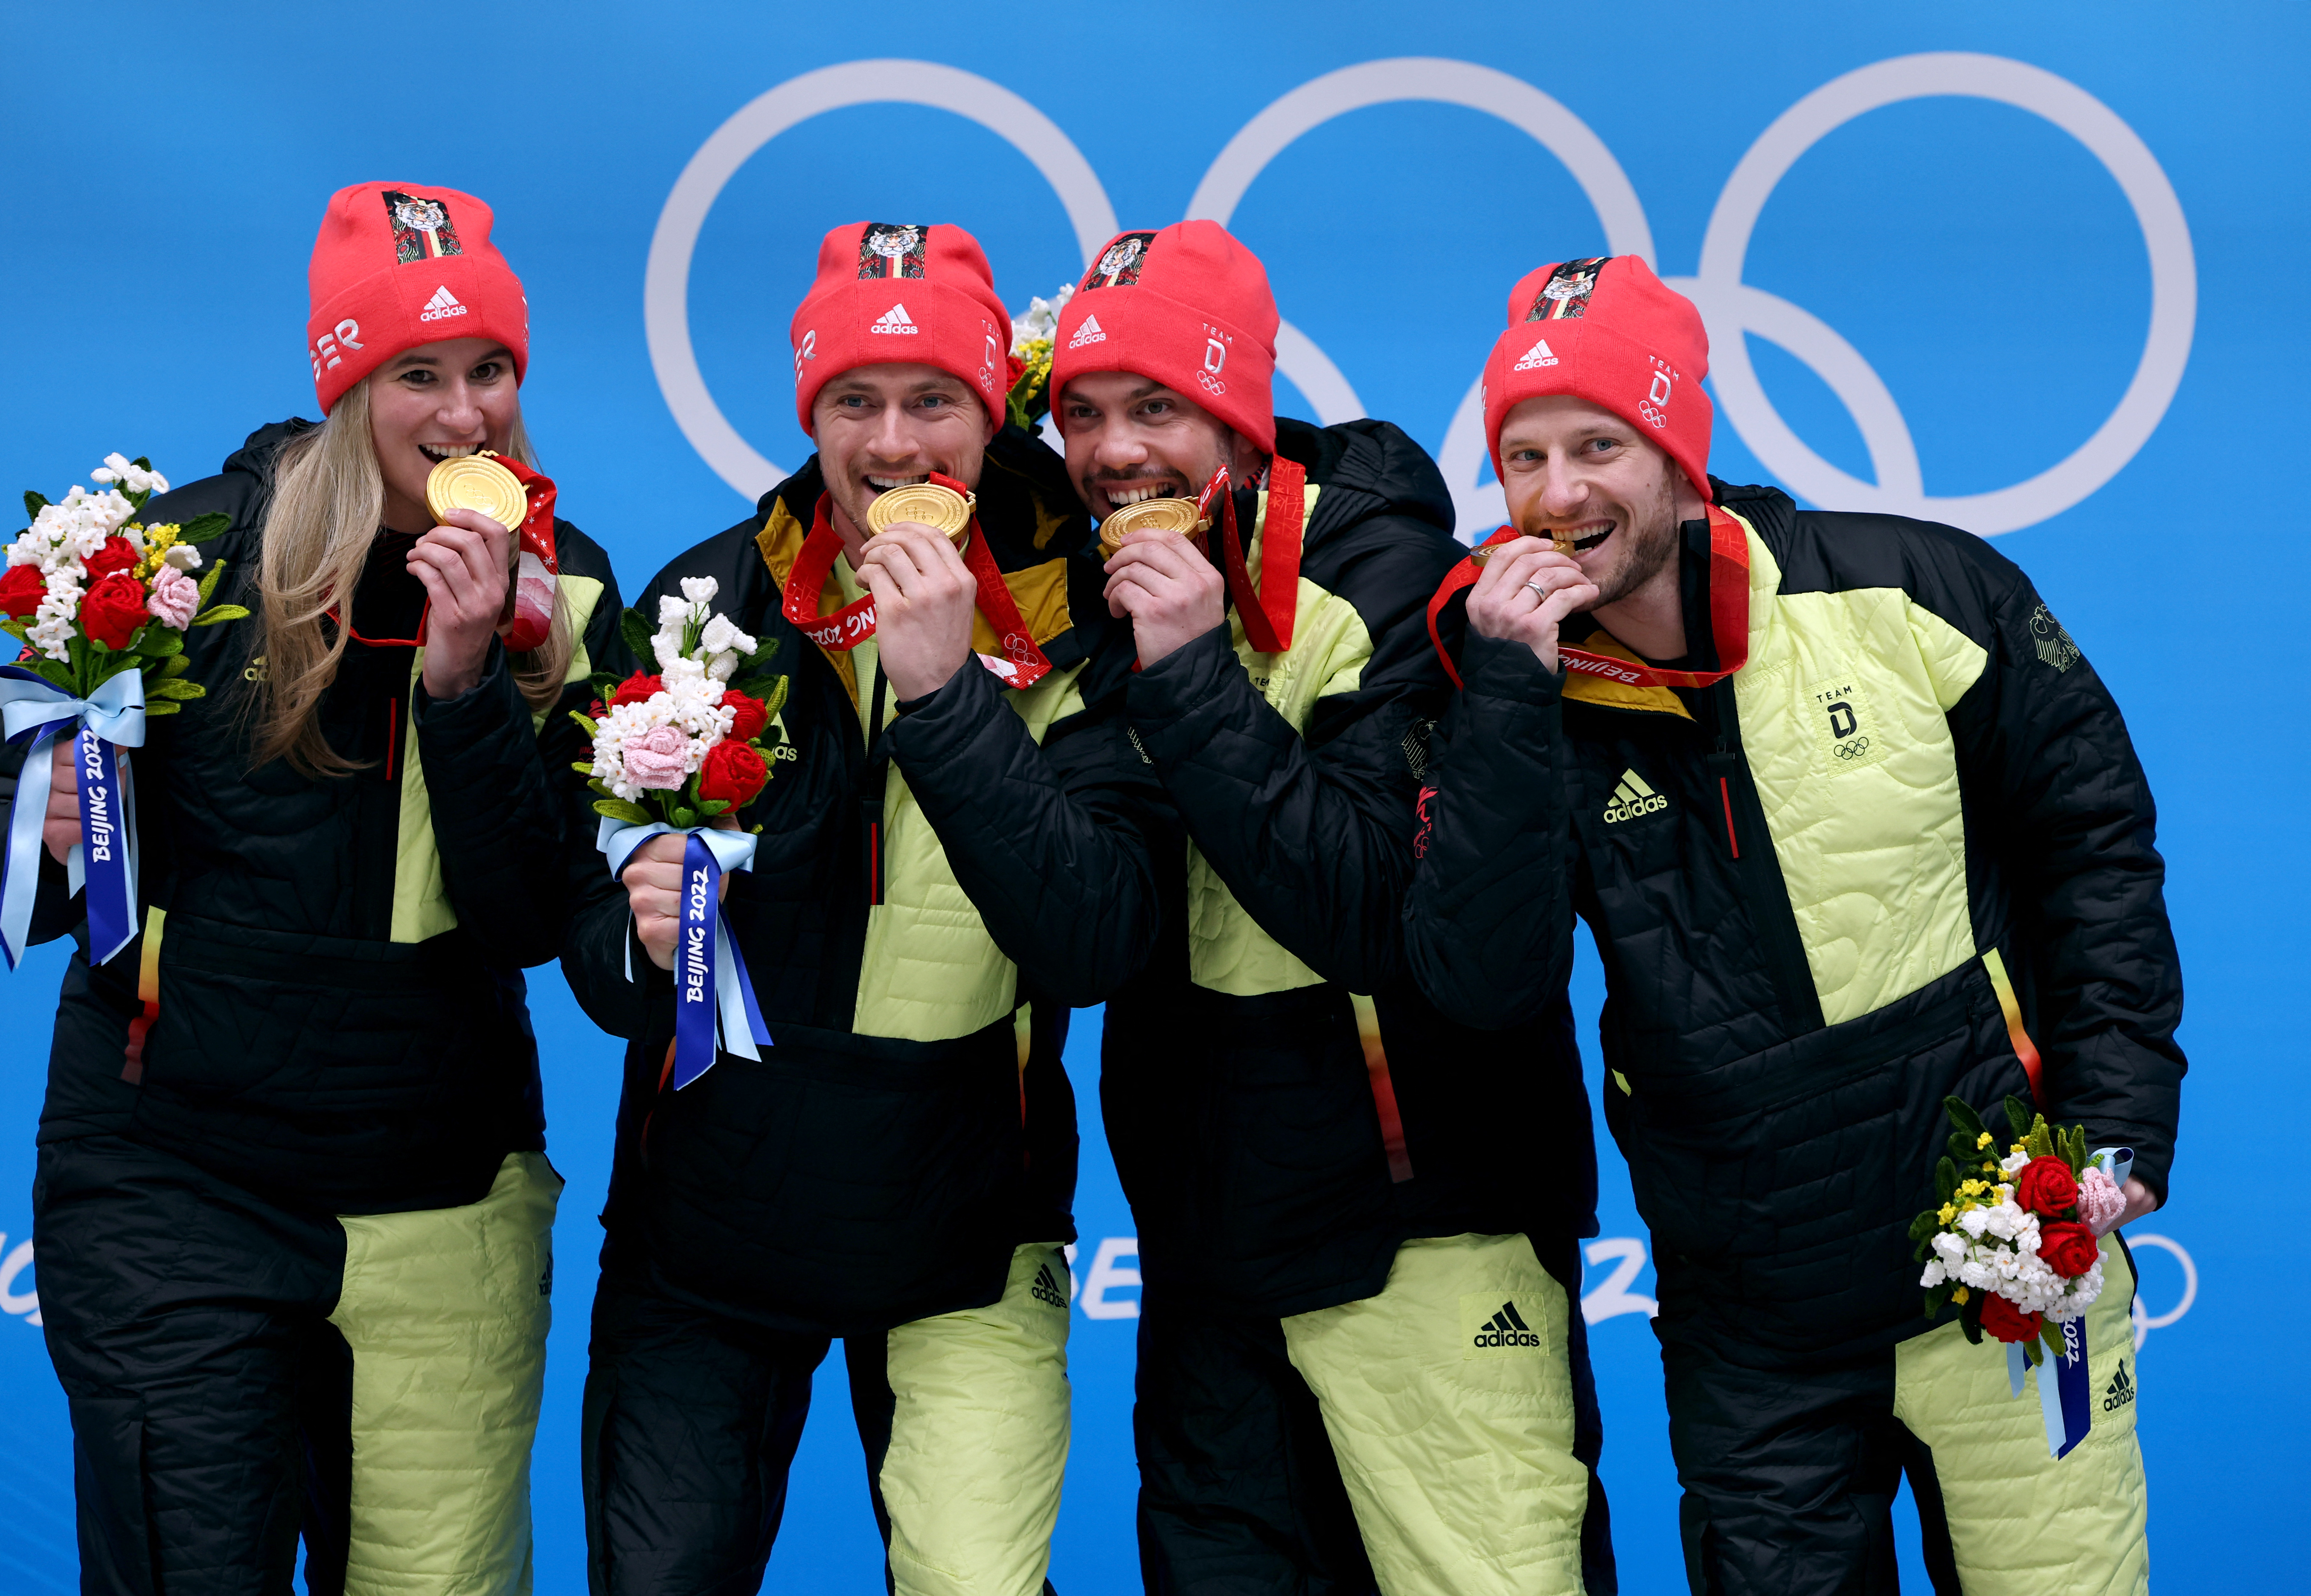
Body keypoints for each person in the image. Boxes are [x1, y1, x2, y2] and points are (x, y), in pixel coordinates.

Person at [1405, 254, 2180, 1595]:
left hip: (2012, 1265)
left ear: (1677, 450)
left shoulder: (1912, 590)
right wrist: (1502, 708)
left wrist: (2115, 1120)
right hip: (1750, 1327)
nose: (1558, 492)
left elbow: (2091, 848)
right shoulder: (1500, 688)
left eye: (1599, 442)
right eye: (1521, 458)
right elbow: (1483, 983)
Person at [0, 181, 625, 1594]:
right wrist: (50, 831)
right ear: (343, 383)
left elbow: (533, 922)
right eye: (414, 375)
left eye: (489, 370)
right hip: (178, 1186)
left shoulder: (573, 596)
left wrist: (465, 687)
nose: (463, 414)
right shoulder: (165, 566)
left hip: (439, 1189)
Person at [915, 219, 1612, 1596]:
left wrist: (1185, 677)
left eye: (1158, 407)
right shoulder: (1097, 590)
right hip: (1207, 1255)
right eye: (1086, 415)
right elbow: (1089, 938)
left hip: (1426, 1233)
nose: (1116, 451)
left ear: (1236, 412)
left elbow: (1370, 915)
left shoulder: (1388, 575)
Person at [565, 221, 1149, 1596]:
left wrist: (950, 695)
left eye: (932, 400)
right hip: (702, 1239)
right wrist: (634, 934)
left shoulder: (1084, 613)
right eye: (855, 402)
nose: (895, 443)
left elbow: (1095, 939)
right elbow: (595, 964)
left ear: (991, 407)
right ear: (811, 413)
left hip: (963, 1233)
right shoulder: (711, 596)